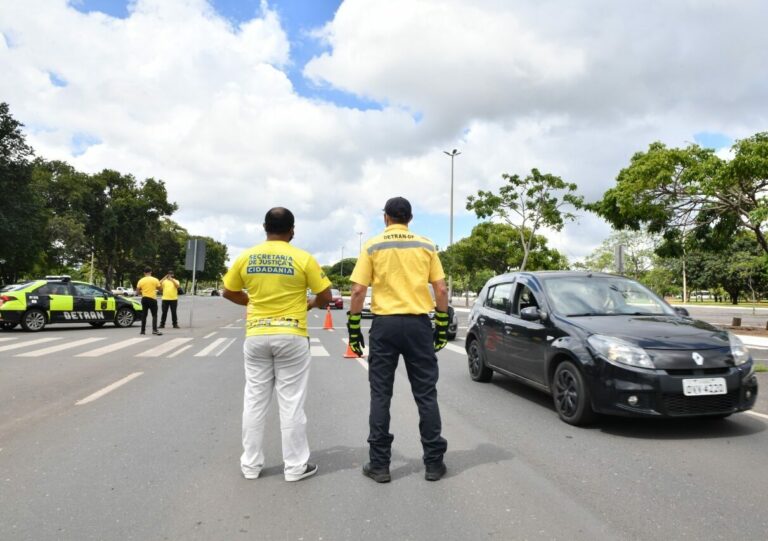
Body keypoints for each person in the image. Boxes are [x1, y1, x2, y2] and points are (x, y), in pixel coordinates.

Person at [222, 207, 332, 482]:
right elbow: (326, 296)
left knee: (254, 401)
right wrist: (309, 304)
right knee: (291, 403)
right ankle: (295, 467)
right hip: (291, 334)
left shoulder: (247, 256)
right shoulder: (303, 258)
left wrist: (251, 302)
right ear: (292, 230)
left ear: (264, 227)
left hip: (256, 334)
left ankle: (250, 465)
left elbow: (228, 291)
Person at [349, 196, 449, 483]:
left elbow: (357, 291)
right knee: (426, 395)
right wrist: (441, 326)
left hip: (384, 326)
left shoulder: (372, 244)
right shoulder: (426, 245)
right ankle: (433, 464)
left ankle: (379, 465)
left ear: (386, 218)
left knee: (381, 394)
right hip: (419, 326)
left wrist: (354, 327)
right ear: (410, 218)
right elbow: (440, 290)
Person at [136, 267, 162, 336]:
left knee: (144, 315)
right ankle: (154, 330)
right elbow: (160, 289)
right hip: (152, 299)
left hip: (144, 299)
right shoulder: (155, 280)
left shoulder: (141, 280)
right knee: (154, 315)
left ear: (144, 273)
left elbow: (137, 292)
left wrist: (143, 291)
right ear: (151, 272)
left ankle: (142, 331)